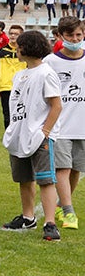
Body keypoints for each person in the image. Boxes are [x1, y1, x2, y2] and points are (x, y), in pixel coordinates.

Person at [0, 30, 62, 241]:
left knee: (45, 179)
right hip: (20, 133)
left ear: (30, 47)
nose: (16, 49)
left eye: (20, 45)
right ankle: (28, 217)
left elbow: (56, 105)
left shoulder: (46, 73)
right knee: (24, 178)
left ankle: (50, 223)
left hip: (40, 135)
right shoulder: (19, 75)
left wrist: (45, 132)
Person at [45, 17, 84, 231]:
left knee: (76, 168)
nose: (75, 39)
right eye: (70, 36)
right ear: (60, 36)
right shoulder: (50, 62)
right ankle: (69, 211)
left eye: (78, 35)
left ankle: (61, 204)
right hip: (60, 126)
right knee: (63, 167)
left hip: (82, 125)